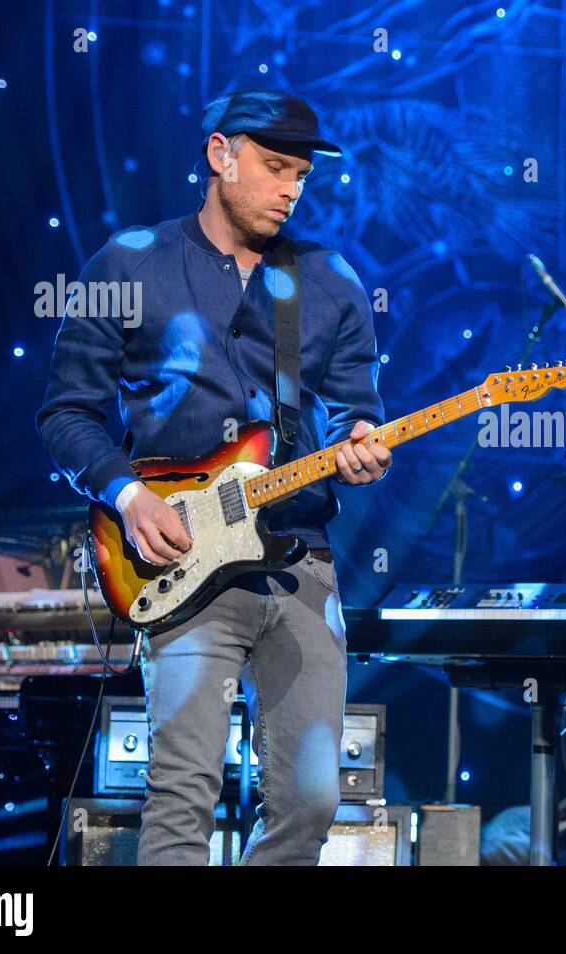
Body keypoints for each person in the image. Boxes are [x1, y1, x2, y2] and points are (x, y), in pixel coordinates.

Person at [37, 90, 390, 865]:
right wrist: (127, 497)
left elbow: (350, 415)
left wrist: (359, 447)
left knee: (314, 798)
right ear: (219, 155)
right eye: (274, 168)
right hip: (178, 554)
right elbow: (65, 415)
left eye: (301, 173)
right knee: (182, 791)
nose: (291, 188)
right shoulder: (129, 262)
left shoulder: (330, 282)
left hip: (301, 558)